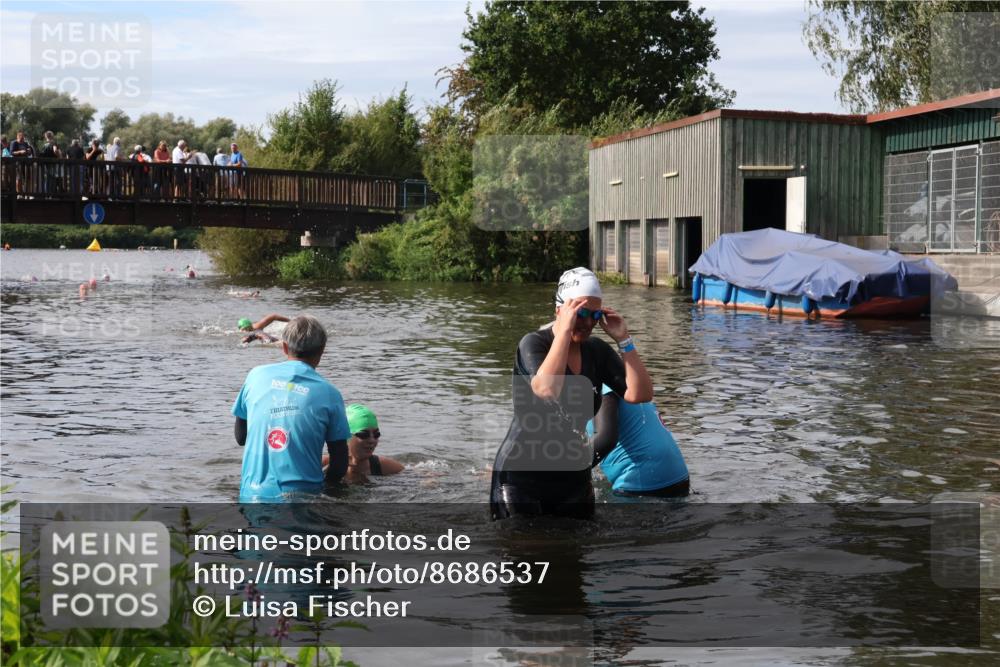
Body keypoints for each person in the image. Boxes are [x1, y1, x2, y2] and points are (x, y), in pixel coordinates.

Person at [490, 267, 653, 520]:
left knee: (576, 557)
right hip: (520, 479)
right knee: (524, 555)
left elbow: (640, 394)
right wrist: (564, 330)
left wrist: (625, 340)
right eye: (581, 313)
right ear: (561, 310)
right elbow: (546, 388)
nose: (589, 323)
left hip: (573, 480)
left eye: (595, 315)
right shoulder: (533, 343)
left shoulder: (597, 351)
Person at [232, 315, 350, 501]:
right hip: (304, 499)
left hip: (252, 495)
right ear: (322, 350)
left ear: (284, 347)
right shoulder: (330, 393)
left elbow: (241, 437)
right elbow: (339, 462)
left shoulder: (255, 376)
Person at [587, 385, 690, 497]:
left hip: (643, 481)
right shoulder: (615, 380)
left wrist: (568, 474)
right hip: (678, 477)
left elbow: (605, 438)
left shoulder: (599, 385)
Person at [335, 405, 404, 484]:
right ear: (346, 436)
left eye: (376, 434)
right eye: (364, 435)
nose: (372, 440)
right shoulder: (324, 465)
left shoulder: (388, 468)